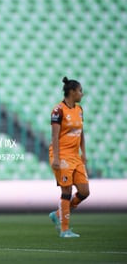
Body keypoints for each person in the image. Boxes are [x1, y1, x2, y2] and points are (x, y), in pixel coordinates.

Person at [48, 76, 90, 238]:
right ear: (72, 92)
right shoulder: (58, 110)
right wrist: (57, 158)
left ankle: (58, 214)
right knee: (67, 191)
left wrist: (83, 152)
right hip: (62, 155)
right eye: (80, 91)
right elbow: (54, 136)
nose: (82, 94)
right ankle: (65, 230)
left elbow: (81, 132)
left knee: (84, 192)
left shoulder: (79, 110)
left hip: (75, 156)